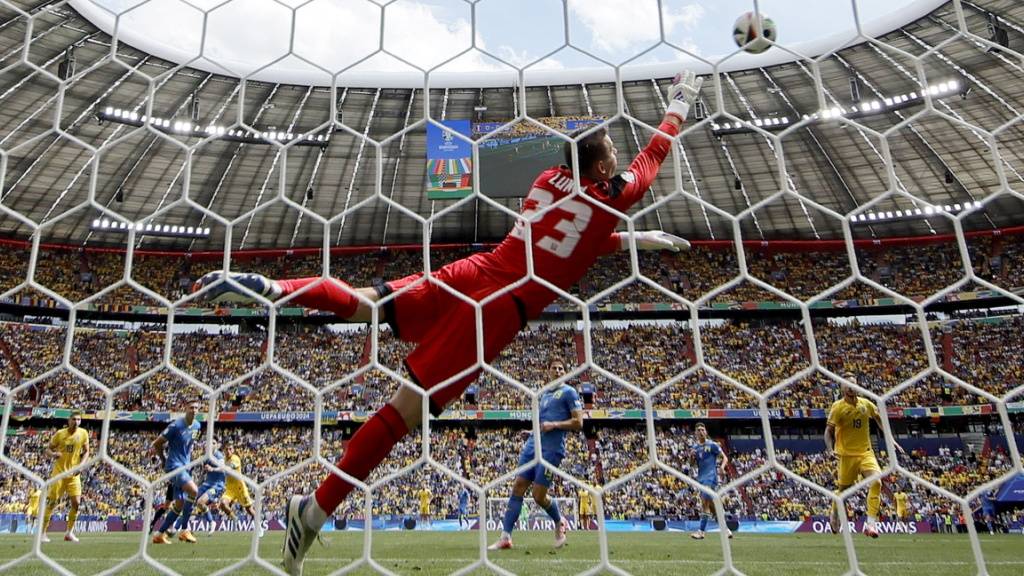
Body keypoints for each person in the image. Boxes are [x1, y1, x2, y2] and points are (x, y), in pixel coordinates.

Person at [192, 69, 704, 576]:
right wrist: (677, 105)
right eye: (611, 150)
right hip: (499, 310)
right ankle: (314, 510)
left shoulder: (547, 180)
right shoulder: (612, 194)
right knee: (402, 414)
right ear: (598, 165)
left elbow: (563, 240)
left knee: (368, 304)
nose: (618, 155)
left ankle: (277, 289)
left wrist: (630, 240)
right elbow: (651, 158)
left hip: (476, 270)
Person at [489, 359, 582, 550]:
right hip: (533, 446)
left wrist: (554, 425)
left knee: (538, 496)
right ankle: (505, 537)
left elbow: (578, 422)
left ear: (565, 372)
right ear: (548, 371)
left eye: (561, 368)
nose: (557, 370)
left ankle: (559, 521)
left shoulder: (569, 392)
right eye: (554, 367)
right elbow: (542, 423)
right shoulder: (543, 395)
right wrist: (532, 433)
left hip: (552, 450)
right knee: (518, 487)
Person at [825, 375, 905, 538]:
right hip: (846, 455)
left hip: (865, 453)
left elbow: (878, 419)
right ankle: (835, 509)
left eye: (853, 384)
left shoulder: (866, 404)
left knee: (876, 481)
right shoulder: (837, 407)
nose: (850, 387)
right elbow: (828, 431)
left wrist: (891, 440)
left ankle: (871, 524)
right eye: (846, 385)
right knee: (843, 492)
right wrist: (830, 449)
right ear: (842, 388)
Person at [150, 400, 202, 545]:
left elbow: (190, 445)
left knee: (179, 504)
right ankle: (184, 530)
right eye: (191, 407)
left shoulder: (197, 426)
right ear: (185, 408)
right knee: (194, 491)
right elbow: (157, 443)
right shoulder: (176, 425)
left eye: (196, 408)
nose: (194, 410)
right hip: (174, 466)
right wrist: (163, 460)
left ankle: (159, 534)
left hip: (185, 467)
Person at [42, 411, 90, 543]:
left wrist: (80, 466)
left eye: (79, 420)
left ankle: (69, 533)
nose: (76, 422)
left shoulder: (83, 433)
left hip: (73, 475)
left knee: (77, 503)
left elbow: (87, 452)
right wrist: (53, 454)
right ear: (69, 420)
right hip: (59, 474)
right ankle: (42, 533)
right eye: (74, 419)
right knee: (52, 503)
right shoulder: (60, 434)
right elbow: (47, 449)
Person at [689, 423, 730, 540]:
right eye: (698, 430)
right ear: (696, 433)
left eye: (702, 429)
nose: (701, 432)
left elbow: (725, 457)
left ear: (706, 432)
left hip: (711, 477)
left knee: (704, 503)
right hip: (701, 478)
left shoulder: (712, 445)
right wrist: (691, 457)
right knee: (712, 508)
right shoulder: (695, 448)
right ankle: (726, 530)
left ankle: (701, 531)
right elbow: (692, 464)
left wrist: (722, 467)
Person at [219, 444, 264, 537]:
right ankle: (234, 518)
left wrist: (217, 468)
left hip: (240, 487)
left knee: (249, 510)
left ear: (233, 449)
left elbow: (229, 467)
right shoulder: (223, 459)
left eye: (230, 449)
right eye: (226, 449)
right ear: (224, 450)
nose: (228, 451)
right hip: (230, 489)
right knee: (222, 504)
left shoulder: (235, 459)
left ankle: (259, 527)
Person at [191, 440, 227, 537]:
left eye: (213, 443)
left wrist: (213, 469)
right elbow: (203, 473)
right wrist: (197, 485)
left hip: (217, 485)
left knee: (201, 501)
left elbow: (223, 468)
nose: (210, 444)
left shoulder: (219, 456)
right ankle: (186, 527)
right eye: (209, 442)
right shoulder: (206, 457)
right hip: (206, 484)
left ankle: (212, 523)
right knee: (191, 499)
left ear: (217, 445)